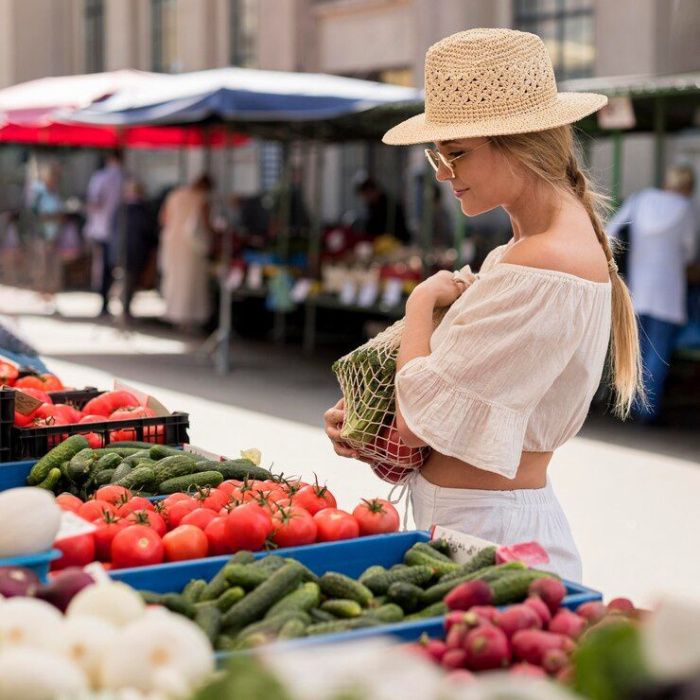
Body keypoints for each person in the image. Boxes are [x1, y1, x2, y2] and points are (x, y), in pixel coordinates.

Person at [324, 28, 645, 583]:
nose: (444, 173)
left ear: (517, 142)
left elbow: (416, 424)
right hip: (481, 523)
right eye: (437, 155)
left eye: (455, 154)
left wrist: (423, 300)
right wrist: (365, 419)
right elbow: (444, 400)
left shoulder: (542, 263)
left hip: (489, 534)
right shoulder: (526, 252)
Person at [607, 165, 697, 423]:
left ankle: (627, 406)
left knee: (636, 350)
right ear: (688, 186)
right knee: (657, 351)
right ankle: (647, 411)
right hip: (669, 294)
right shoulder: (685, 209)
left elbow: (610, 231)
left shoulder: (640, 199)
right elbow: (689, 252)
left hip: (637, 290)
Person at [158, 174, 214, 332]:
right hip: (192, 248)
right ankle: (190, 318)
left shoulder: (174, 195)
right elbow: (207, 224)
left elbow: (163, 218)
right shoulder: (201, 199)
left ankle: (175, 315)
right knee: (192, 282)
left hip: (173, 244)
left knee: (175, 280)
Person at [83, 150, 125, 316]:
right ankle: (109, 300)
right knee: (113, 266)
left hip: (102, 229)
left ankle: (104, 302)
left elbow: (94, 202)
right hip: (117, 229)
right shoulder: (124, 177)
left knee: (103, 267)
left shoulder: (101, 177)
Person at [120, 179, 159, 320]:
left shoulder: (124, 208)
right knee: (130, 279)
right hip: (136, 249)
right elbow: (148, 229)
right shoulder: (141, 209)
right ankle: (125, 308)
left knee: (128, 279)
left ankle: (125, 307)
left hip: (126, 249)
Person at [30, 163, 64, 308]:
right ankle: (42, 294)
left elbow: (60, 215)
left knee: (53, 267)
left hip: (54, 236)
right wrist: (52, 217)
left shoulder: (55, 194)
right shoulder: (39, 194)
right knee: (43, 266)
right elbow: (37, 215)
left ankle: (51, 295)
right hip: (42, 236)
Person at [355, 177, 411, 243]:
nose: (366, 198)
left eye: (366, 194)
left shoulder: (389, 205)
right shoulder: (372, 206)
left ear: (372, 191)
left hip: (395, 242)